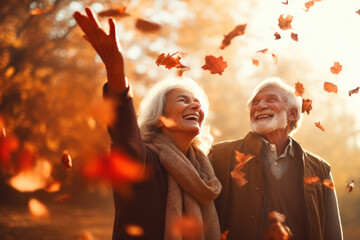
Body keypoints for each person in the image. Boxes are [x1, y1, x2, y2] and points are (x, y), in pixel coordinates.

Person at [74, 7, 222, 240]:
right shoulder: (142, 160)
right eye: (184, 100)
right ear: (159, 117)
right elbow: (124, 131)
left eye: (197, 103)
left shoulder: (204, 171)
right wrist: (115, 72)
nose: (195, 106)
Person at [210, 77, 343, 240]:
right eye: (255, 102)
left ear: (292, 113)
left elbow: (333, 234)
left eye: (271, 99)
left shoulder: (320, 169)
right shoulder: (218, 156)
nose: (259, 106)